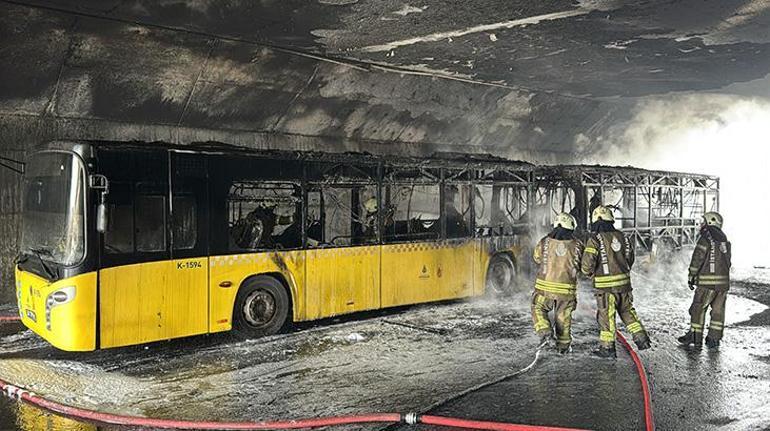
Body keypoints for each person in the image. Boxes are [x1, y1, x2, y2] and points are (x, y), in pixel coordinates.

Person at [581, 205, 651, 358]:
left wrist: (591, 274)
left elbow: (586, 266)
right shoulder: (624, 237)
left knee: (606, 317)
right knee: (627, 312)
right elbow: (630, 260)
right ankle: (642, 339)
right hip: (625, 286)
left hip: (606, 289)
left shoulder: (595, 239)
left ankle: (607, 349)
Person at [531, 212, 584, 354]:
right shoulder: (578, 245)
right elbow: (582, 266)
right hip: (566, 290)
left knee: (538, 308)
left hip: (544, 288)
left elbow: (536, 258)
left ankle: (545, 332)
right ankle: (563, 348)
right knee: (563, 318)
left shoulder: (544, 241)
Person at [678, 212, 731, 350]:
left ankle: (695, 338)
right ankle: (714, 339)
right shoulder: (724, 240)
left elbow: (697, 259)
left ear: (710, 223)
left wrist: (691, 275)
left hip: (707, 284)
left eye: (704, 222)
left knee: (698, 309)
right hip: (723, 285)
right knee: (718, 312)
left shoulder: (706, 239)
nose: (702, 225)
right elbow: (728, 263)